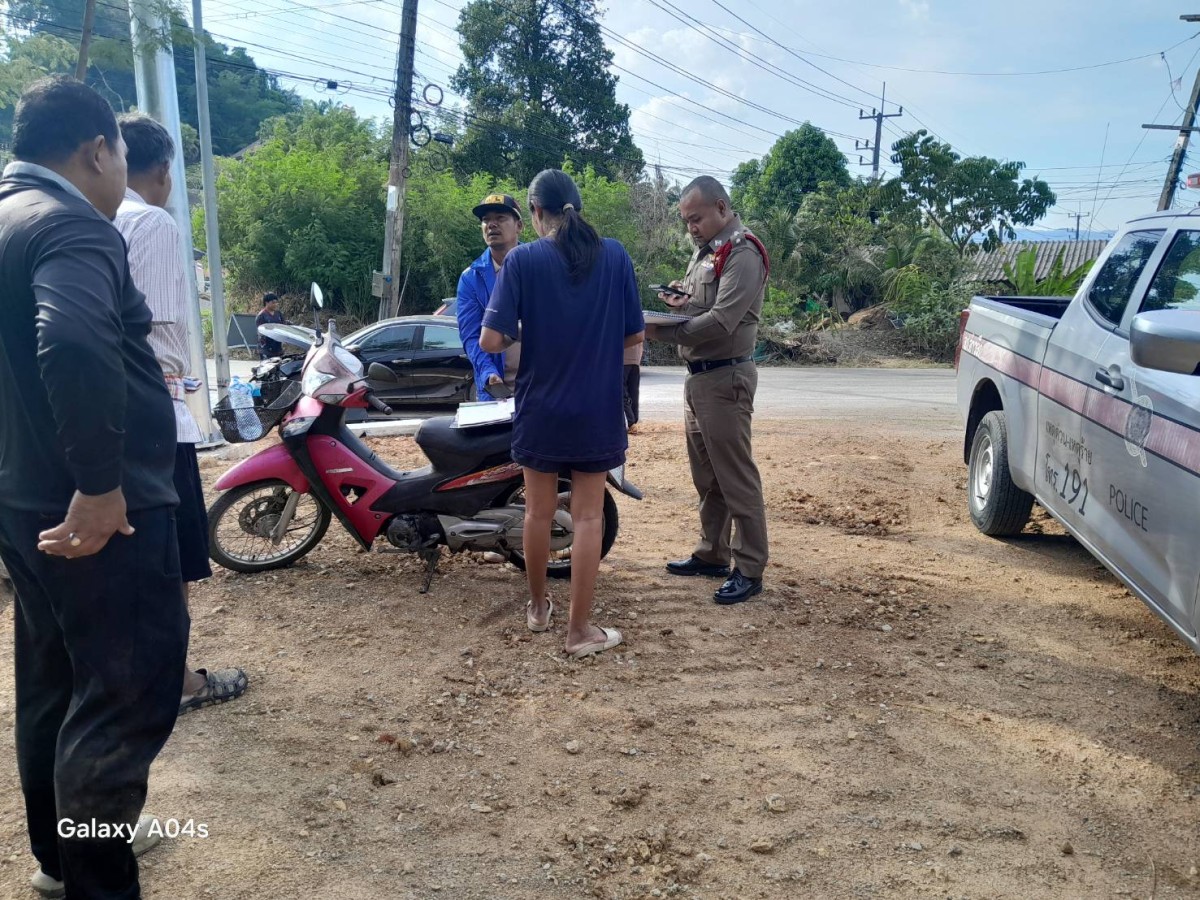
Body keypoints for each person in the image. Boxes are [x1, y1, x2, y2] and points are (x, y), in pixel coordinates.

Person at [0, 76, 188, 900]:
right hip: (100, 514)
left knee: (54, 685)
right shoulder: (70, 223)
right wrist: (101, 484)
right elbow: (74, 342)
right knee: (118, 698)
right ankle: (99, 882)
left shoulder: (7, 218)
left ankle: (61, 857)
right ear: (98, 150)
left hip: (24, 500)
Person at [116, 113, 248, 718]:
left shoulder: (70, 220)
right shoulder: (149, 222)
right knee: (166, 563)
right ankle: (178, 682)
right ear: (164, 170)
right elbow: (158, 334)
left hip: (87, 422)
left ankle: (123, 678)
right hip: (151, 423)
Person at [480, 169, 644, 658]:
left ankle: (537, 609)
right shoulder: (614, 255)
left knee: (537, 511)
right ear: (577, 206)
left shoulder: (522, 260)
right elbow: (634, 335)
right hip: (597, 409)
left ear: (534, 212)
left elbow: (491, 340)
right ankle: (579, 631)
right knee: (588, 516)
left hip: (541, 408)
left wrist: (531, 326)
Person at [642, 175, 770, 605]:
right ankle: (712, 553)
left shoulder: (743, 252)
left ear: (721, 207)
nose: (691, 227)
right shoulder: (706, 253)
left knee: (735, 477)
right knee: (708, 477)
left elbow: (722, 321)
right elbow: (703, 308)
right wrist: (680, 303)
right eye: (686, 221)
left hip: (725, 377)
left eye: (696, 218)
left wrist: (657, 331)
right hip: (699, 377)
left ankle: (749, 567)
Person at [457, 192, 523, 401]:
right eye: (486, 220)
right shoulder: (471, 278)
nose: (491, 224)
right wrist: (488, 372)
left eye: (500, 218)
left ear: (519, 226)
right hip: (496, 391)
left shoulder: (539, 265)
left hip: (540, 385)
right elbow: (471, 336)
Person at [255, 292, 287, 359]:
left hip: (278, 347)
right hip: (266, 349)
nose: (275, 304)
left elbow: (284, 325)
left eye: (276, 302)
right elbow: (261, 333)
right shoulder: (261, 316)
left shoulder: (278, 314)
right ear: (266, 303)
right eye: (273, 303)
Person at [623, 335, 643, 433]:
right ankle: (634, 421)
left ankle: (631, 422)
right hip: (636, 358)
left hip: (623, 359)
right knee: (634, 392)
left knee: (622, 392)